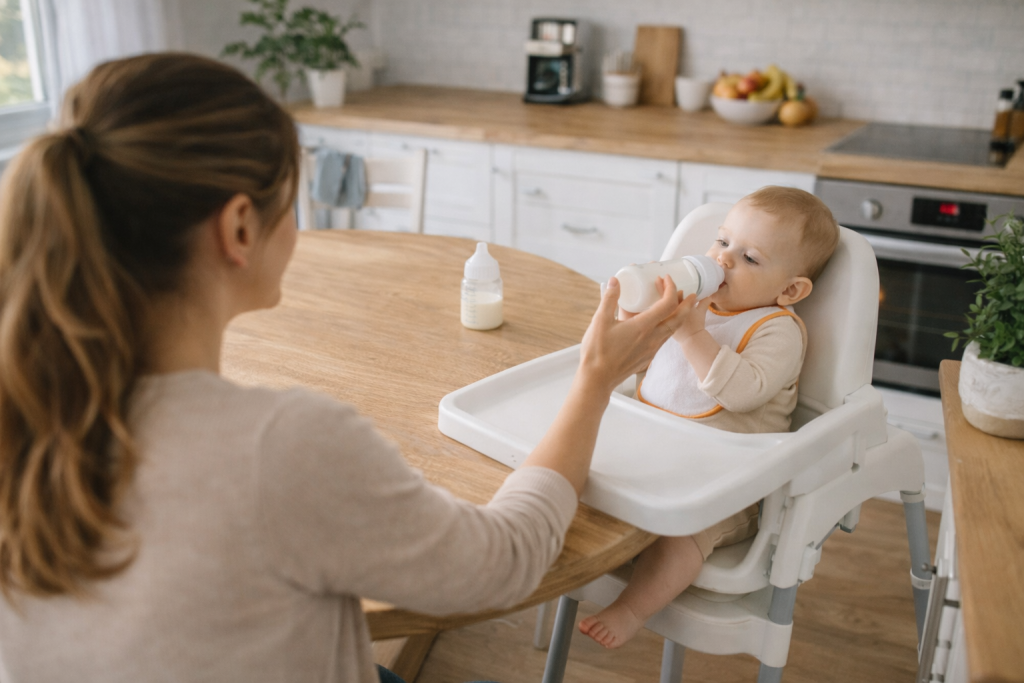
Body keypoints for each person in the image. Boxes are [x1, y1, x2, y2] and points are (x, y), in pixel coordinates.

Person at [0, 54, 692, 682]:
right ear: (240, 227)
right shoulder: (280, 447)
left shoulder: (24, 399)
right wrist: (594, 381)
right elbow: (502, 563)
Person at [578, 186, 840, 649]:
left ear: (790, 290)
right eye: (722, 242)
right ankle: (569, 561)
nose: (723, 260)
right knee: (585, 476)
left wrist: (692, 334)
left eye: (750, 258)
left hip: (726, 488)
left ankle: (632, 608)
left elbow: (741, 392)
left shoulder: (777, 329)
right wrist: (629, 321)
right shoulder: (691, 307)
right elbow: (640, 367)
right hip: (654, 457)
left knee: (684, 539)